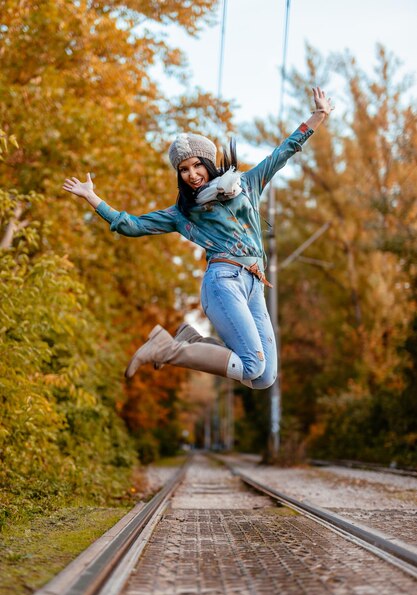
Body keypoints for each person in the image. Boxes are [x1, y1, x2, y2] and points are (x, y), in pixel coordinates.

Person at [62, 87, 332, 389]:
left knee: (263, 377)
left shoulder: (246, 184)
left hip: (254, 285)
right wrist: (93, 198)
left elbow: (284, 151)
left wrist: (318, 115)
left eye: (196, 165)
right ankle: (168, 348)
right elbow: (132, 225)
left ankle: (190, 340)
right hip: (223, 281)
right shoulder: (184, 212)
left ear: (209, 162)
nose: (191, 174)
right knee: (253, 364)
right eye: (184, 169)